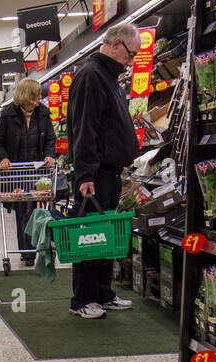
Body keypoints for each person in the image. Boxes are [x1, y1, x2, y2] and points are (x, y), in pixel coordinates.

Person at [67, 23, 141, 319]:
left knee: (104, 237)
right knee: (88, 237)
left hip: (108, 172)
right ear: (115, 44)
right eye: (130, 53)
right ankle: (82, 299)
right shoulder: (91, 76)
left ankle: (102, 293)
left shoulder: (109, 78)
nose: (132, 60)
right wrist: (85, 174)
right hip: (94, 174)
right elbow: (85, 128)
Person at [0, 77, 55, 267]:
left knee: (37, 210)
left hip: (37, 171)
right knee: (24, 210)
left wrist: (50, 155)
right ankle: (28, 253)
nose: (40, 97)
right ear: (28, 96)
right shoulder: (7, 115)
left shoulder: (43, 114)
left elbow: (50, 140)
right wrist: (3, 158)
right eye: (37, 94)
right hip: (16, 172)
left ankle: (35, 250)